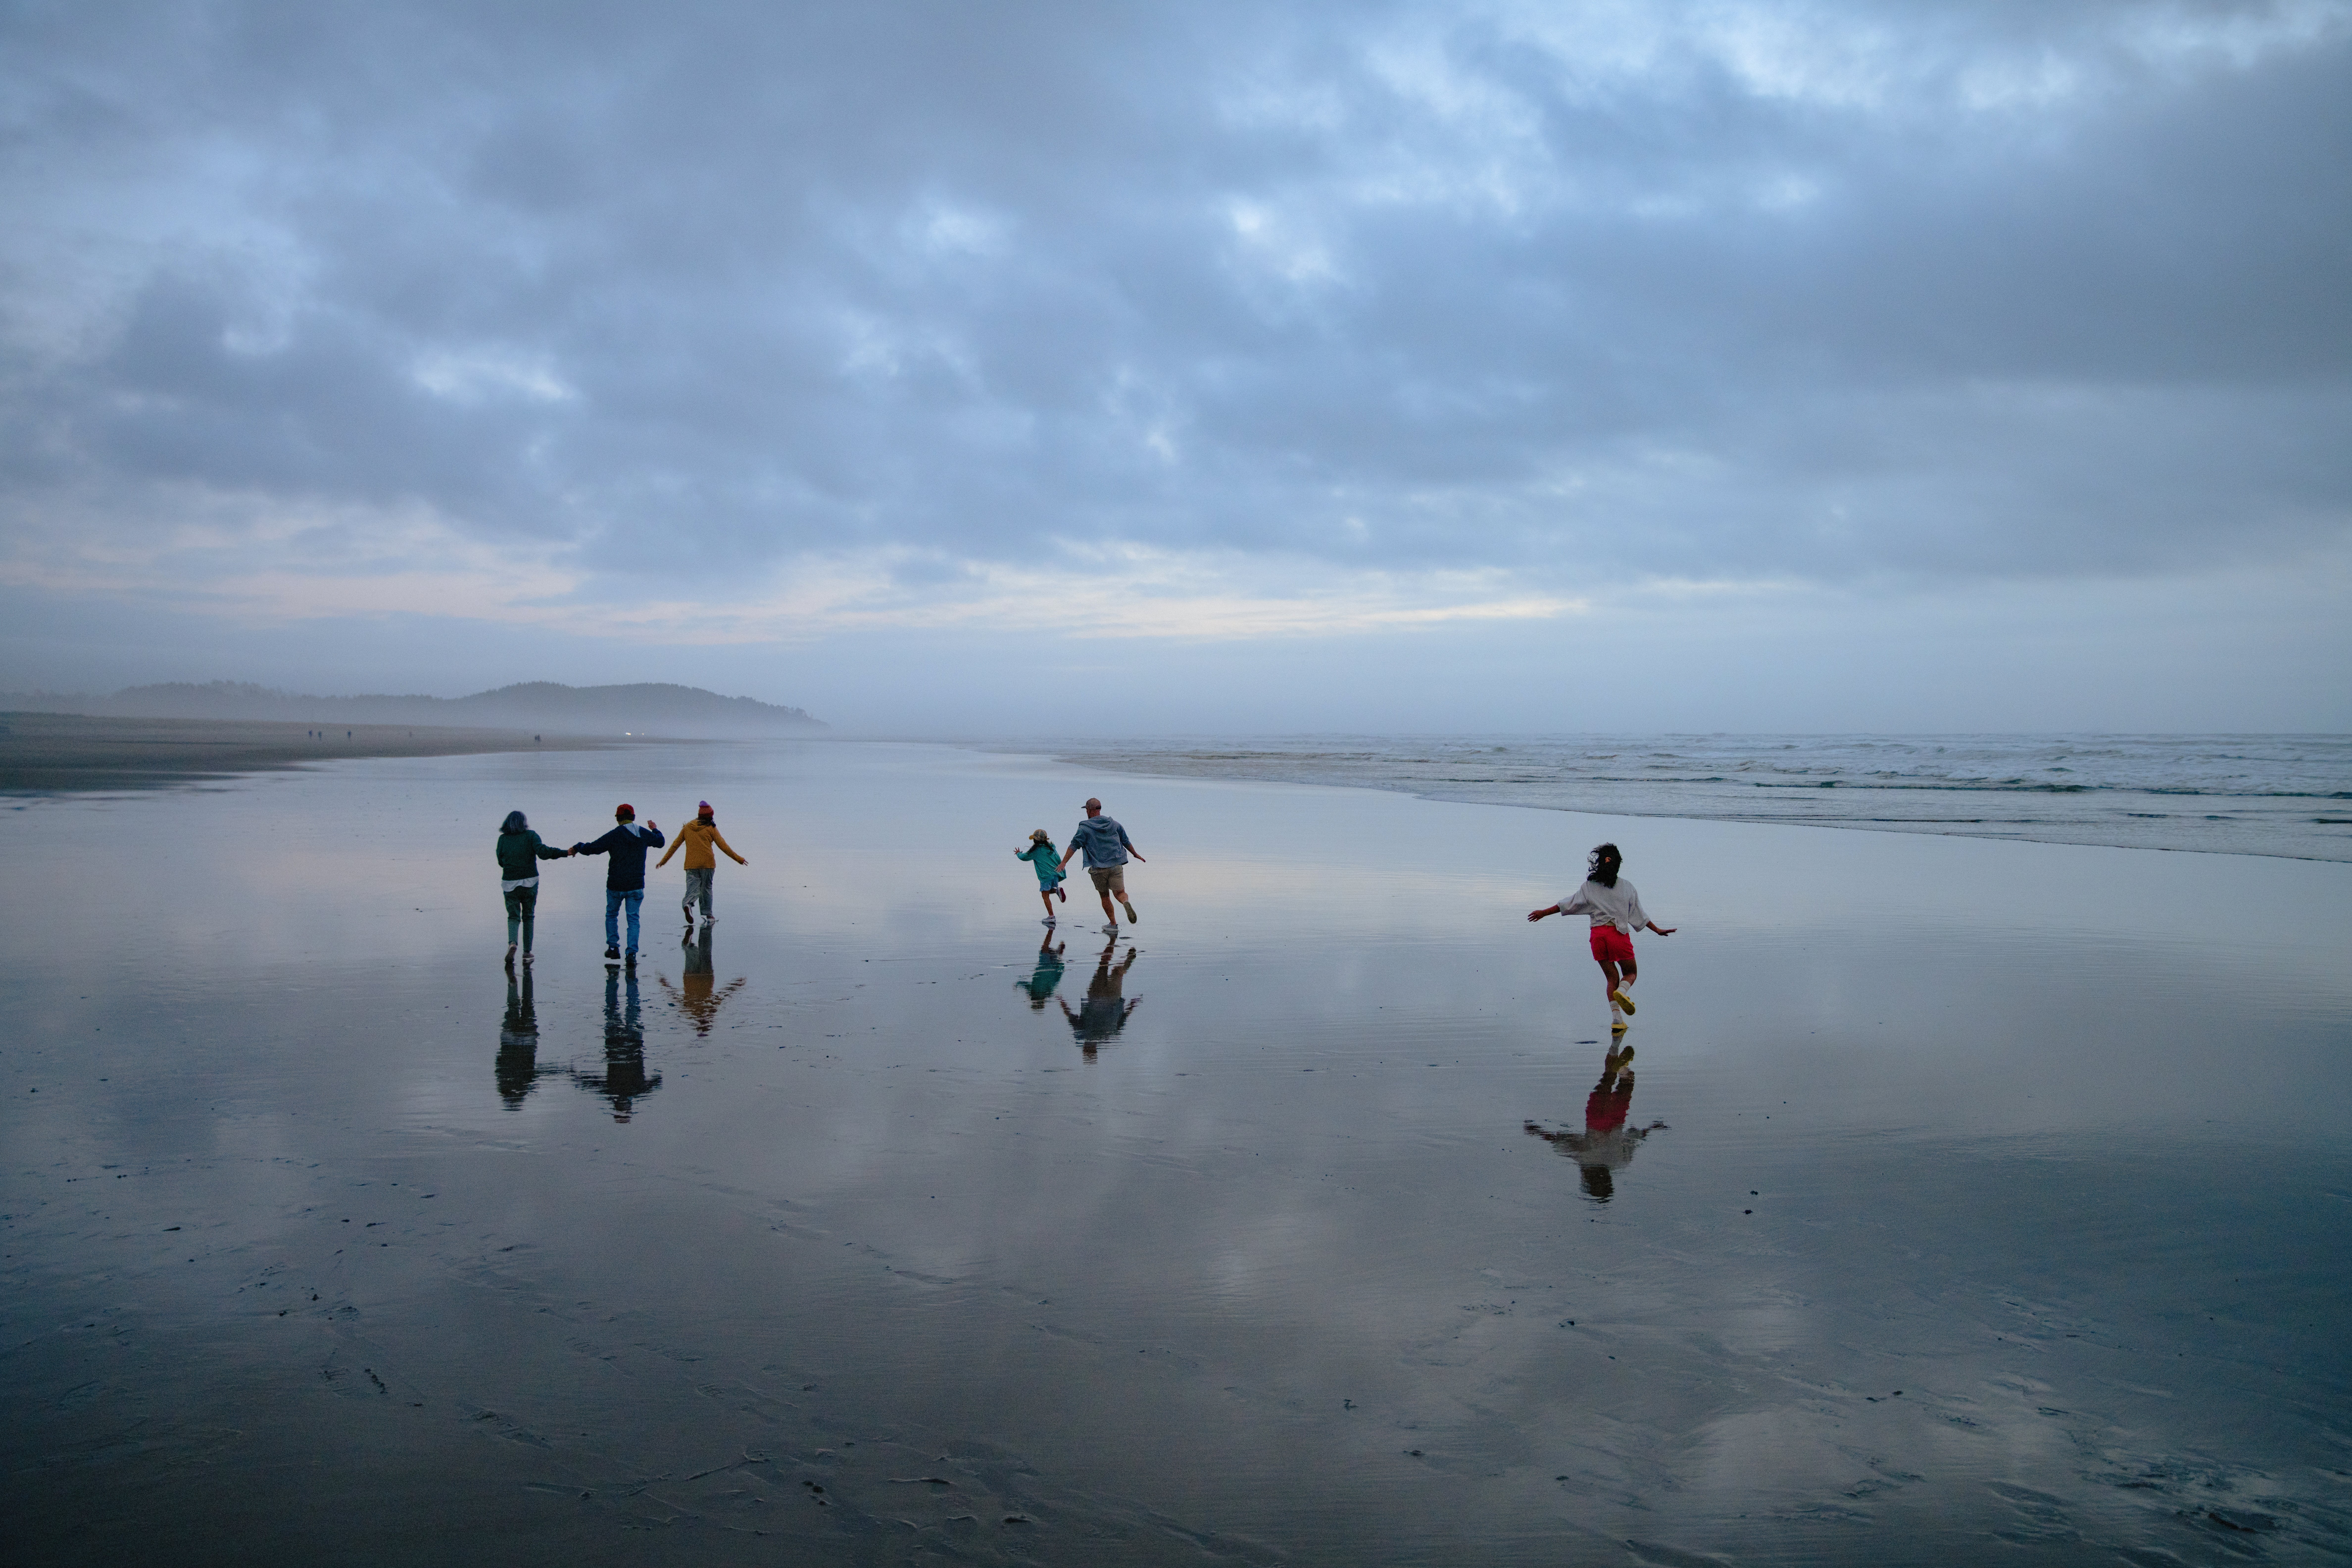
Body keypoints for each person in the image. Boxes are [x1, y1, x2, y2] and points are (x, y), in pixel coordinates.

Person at [1527, 842, 1675, 1028]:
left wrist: (1543, 913)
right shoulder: (1627, 888)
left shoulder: (1589, 887)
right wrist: (1658, 930)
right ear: (1618, 864)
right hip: (1617, 936)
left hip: (1598, 937)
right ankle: (1622, 991)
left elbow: (1566, 905)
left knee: (1611, 978)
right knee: (1630, 973)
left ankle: (1617, 1021)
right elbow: (1639, 916)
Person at [1523, 1042, 1666, 1202]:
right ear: (1589, 1180)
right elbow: (1559, 1142)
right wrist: (1537, 1131)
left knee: (1627, 1082)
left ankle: (1623, 1069)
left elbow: (1635, 1138)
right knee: (1607, 1078)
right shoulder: (1585, 1160)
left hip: (1617, 1118)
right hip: (1596, 1120)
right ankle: (1616, 1054)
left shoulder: (1621, 1162)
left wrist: (1653, 1128)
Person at [571, 804, 665, 965]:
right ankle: (631, 954)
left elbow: (592, 849)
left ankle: (614, 948)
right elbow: (660, 842)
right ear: (634, 817)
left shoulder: (615, 835)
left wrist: (578, 847)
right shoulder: (643, 833)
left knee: (612, 915)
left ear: (618, 818)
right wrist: (655, 829)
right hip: (636, 886)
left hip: (616, 885)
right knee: (633, 919)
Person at [1058, 797, 1144, 936]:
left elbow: (1074, 845)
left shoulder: (1085, 828)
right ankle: (1126, 902)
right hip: (1116, 866)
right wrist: (1135, 854)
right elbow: (1125, 841)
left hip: (1098, 869)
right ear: (1099, 809)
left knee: (1105, 897)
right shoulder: (1114, 824)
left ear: (1089, 810)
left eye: (1087, 810)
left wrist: (1064, 862)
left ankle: (1113, 924)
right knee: (1120, 893)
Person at [655, 800, 746, 931]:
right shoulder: (711, 828)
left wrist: (664, 861)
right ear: (710, 817)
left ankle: (688, 904)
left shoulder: (687, 828)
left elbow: (675, 845)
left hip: (691, 864)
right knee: (707, 889)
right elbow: (723, 846)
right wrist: (739, 859)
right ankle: (709, 916)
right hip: (708, 864)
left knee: (693, 889)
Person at [495, 809, 569, 967]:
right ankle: (527, 953)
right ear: (524, 823)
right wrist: (565, 853)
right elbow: (543, 853)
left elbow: (501, 861)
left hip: (510, 883)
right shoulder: (531, 836)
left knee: (513, 916)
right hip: (530, 881)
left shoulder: (502, 840)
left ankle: (513, 943)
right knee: (529, 916)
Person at [1059, 937, 1141, 1059]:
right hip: (1096, 995)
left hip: (1113, 998)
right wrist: (1061, 1002)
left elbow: (1124, 1017)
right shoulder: (1082, 1034)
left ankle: (1126, 961)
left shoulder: (1109, 1036)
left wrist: (1133, 1004)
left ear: (1096, 1048)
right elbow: (1071, 1016)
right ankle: (1112, 941)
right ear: (1085, 1047)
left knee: (1117, 972)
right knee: (1104, 964)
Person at [1016, 828, 1070, 924]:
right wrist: (1061, 869)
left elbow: (1024, 858)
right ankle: (1057, 891)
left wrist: (1019, 854)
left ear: (1035, 840)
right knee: (1047, 892)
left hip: (1046, 876)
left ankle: (1052, 916)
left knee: (1045, 895)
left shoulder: (1036, 851)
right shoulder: (1051, 848)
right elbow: (1058, 859)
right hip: (1055, 874)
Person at [1015, 932, 1067, 1009]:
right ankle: (1051, 929)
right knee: (1045, 947)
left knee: (1056, 957)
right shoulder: (1032, 992)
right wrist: (1018, 984)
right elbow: (1025, 985)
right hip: (1044, 966)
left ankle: (1059, 950)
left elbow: (1055, 982)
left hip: (1053, 970)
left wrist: (1060, 971)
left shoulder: (1048, 994)